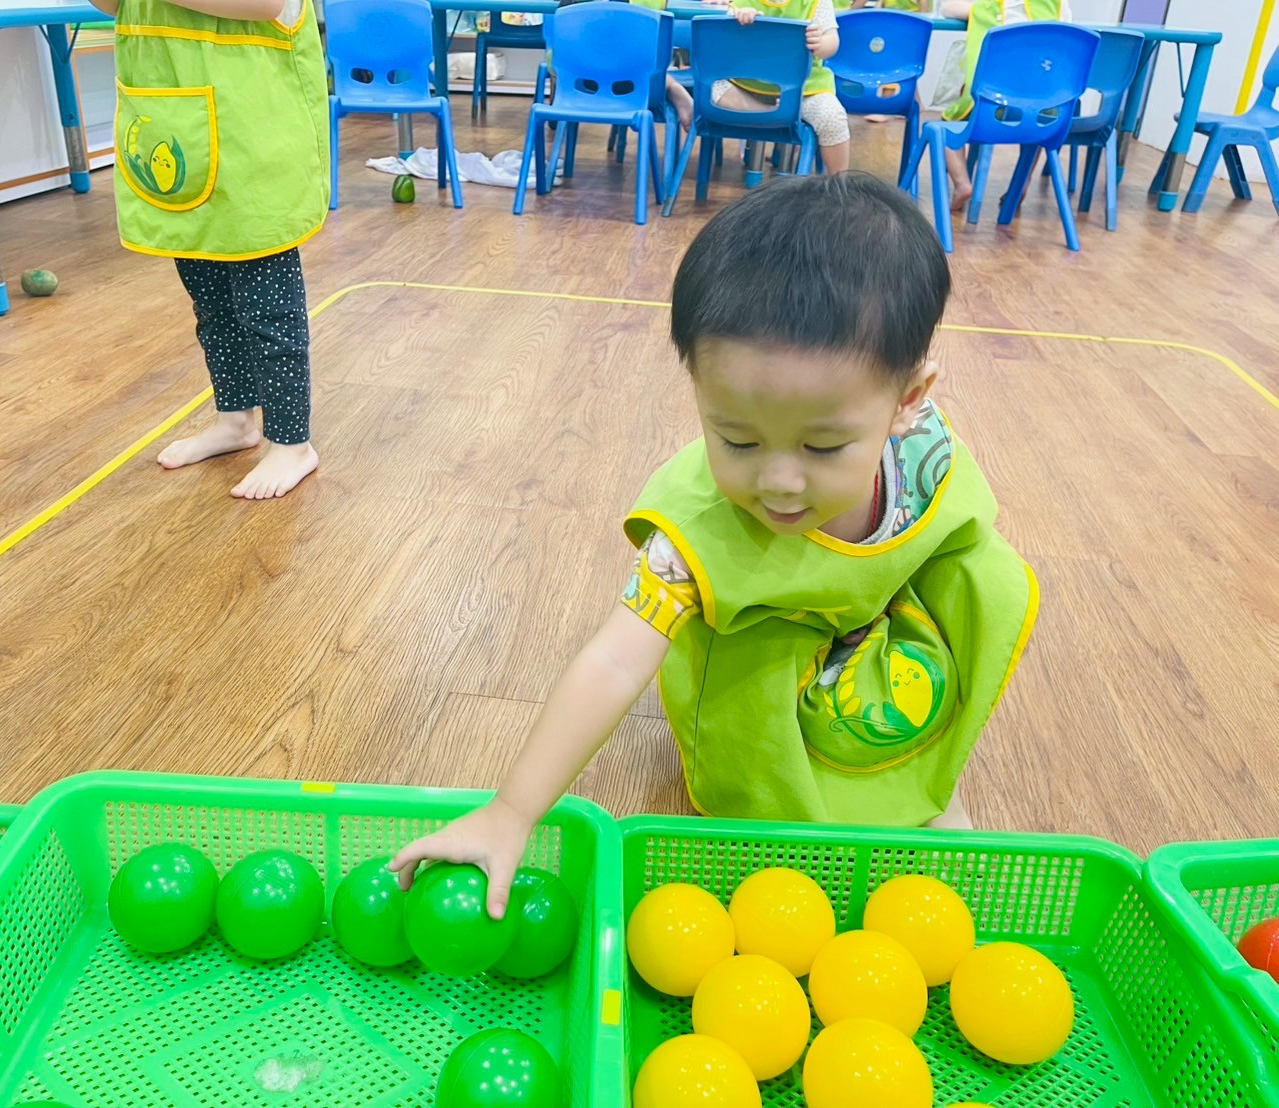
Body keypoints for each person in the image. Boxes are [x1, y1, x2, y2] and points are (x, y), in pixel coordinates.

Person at [392, 174, 1038, 917]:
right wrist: (511, 811)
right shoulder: (697, 532)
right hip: (760, 662)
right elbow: (612, 658)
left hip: (867, 640)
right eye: (736, 437)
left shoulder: (923, 460)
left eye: (823, 445)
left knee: (989, 572)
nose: (779, 481)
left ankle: (915, 778)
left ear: (907, 402)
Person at [90, 0, 329, 499]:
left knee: (269, 316)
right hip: (184, 143)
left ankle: (292, 443)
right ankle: (236, 418)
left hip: (253, 156)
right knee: (214, 309)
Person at [666, 0, 851, 174]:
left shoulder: (816, 3)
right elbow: (723, 43)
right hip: (747, 88)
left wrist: (821, 43)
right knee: (711, 91)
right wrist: (736, 20)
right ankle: (773, 113)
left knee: (832, 117)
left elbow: (832, 41)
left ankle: (841, 186)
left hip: (804, 91)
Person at [942, 0, 1071, 209]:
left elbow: (947, 9)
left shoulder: (994, 7)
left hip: (990, 107)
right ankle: (1021, 185)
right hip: (1042, 109)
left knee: (945, 127)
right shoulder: (1057, 6)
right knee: (1039, 124)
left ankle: (962, 184)